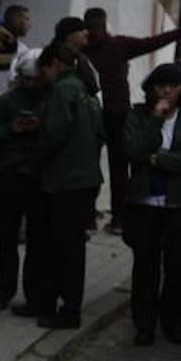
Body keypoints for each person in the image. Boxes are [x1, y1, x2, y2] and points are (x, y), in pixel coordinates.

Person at [82, 7, 181, 236]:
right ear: (104, 23)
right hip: (118, 112)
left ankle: (88, 218)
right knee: (120, 168)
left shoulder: (82, 50)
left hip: (91, 113)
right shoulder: (118, 45)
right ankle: (119, 219)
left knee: (89, 163)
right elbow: (154, 42)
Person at [121, 64, 181, 345]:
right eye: (160, 84)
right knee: (145, 267)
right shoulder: (137, 116)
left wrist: (161, 160)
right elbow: (135, 150)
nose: (165, 90)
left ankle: (173, 322)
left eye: (172, 85)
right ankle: (144, 324)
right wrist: (156, 120)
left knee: (180, 267)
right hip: (145, 202)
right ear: (150, 88)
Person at [32, 44, 104, 329]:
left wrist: (34, 164)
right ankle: (66, 304)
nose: (43, 77)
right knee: (73, 247)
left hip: (65, 179)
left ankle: (68, 310)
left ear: (56, 65)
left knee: (63, 248)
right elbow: (100, 134)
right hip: (86, 178)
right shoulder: (87, 91)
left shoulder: (64, 90)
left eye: (45, 69)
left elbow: (54, 134)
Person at [0, 48, 47, 312]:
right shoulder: (7, 101)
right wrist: (12, 129)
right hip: (9, 175)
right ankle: (4, 290)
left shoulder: (50, 99)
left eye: (35, 79)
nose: (31, 84)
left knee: (37, 239)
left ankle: (34, 295)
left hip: (37, 176)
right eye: (27, 79)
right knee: (6, 237)